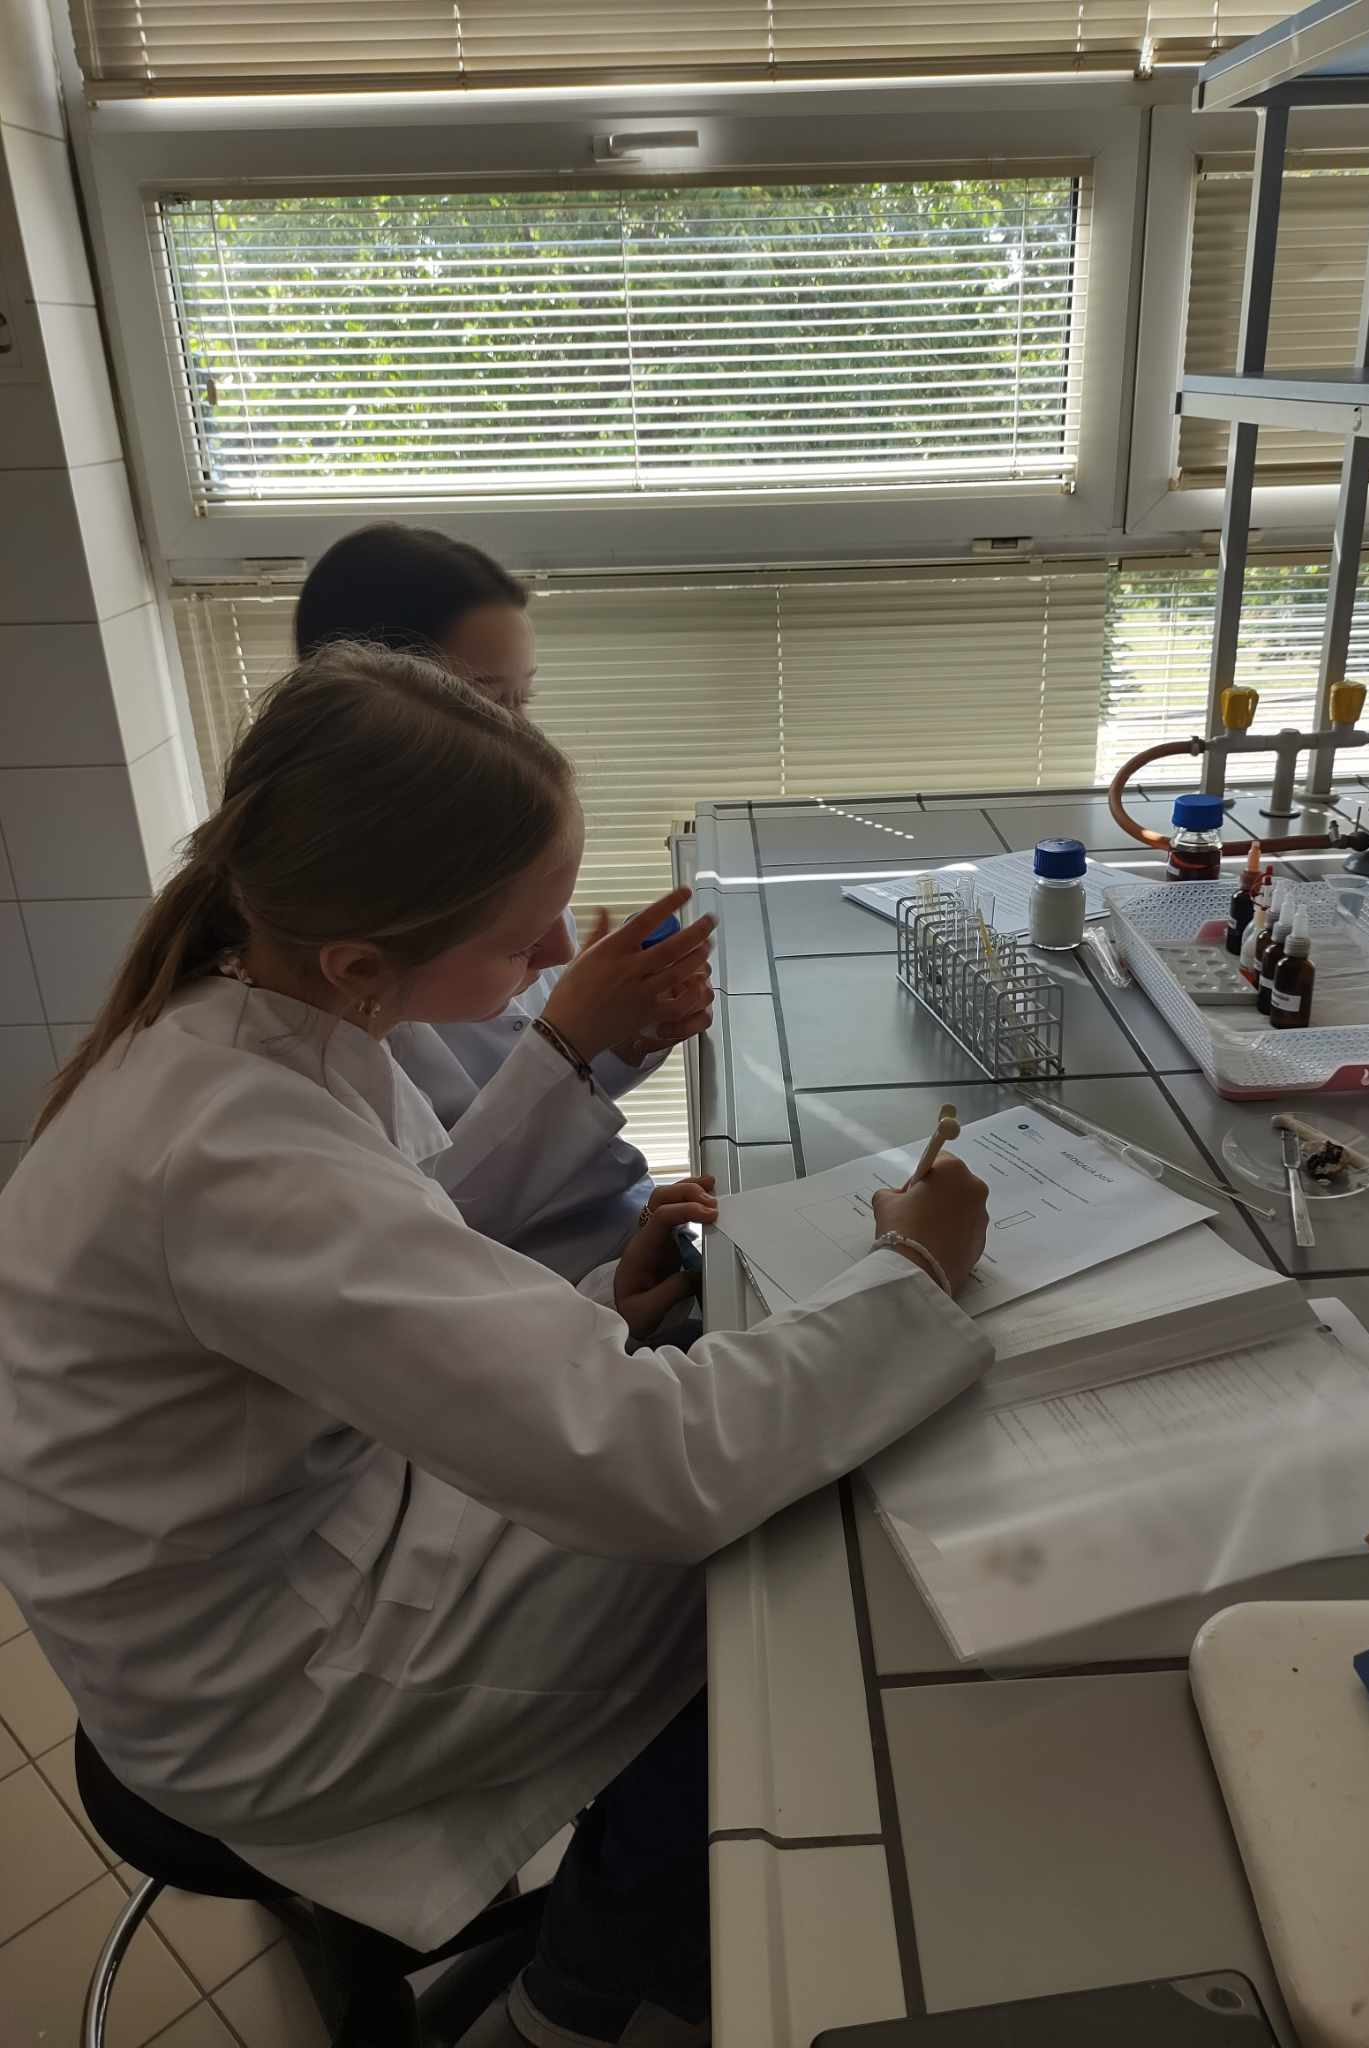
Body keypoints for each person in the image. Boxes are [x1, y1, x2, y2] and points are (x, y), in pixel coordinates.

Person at [0, 645, 991, 2048]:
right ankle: (576, 1998)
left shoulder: (259, 1023)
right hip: (256, 1685)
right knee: (772, 1582)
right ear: (362, 961)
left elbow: (374, 1304)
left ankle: (619, 1938)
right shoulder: (231, 1143)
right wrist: (915, 1273)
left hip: (284, 1548)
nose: (558, 957)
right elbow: (657, 1466)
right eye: (524, 938)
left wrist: (594, 1306)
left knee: (756, 1466)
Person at [296, 523, 702, 1280]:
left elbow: (524, 1080)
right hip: (544, 1286)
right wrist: (570, 1041)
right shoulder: (349, 958)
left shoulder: (504, 859)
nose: (522, 737)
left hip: (618, 1250)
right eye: (487, 704)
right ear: (378, 708)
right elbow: (427, 1229)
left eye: (524, 699)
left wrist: (623, 1032)